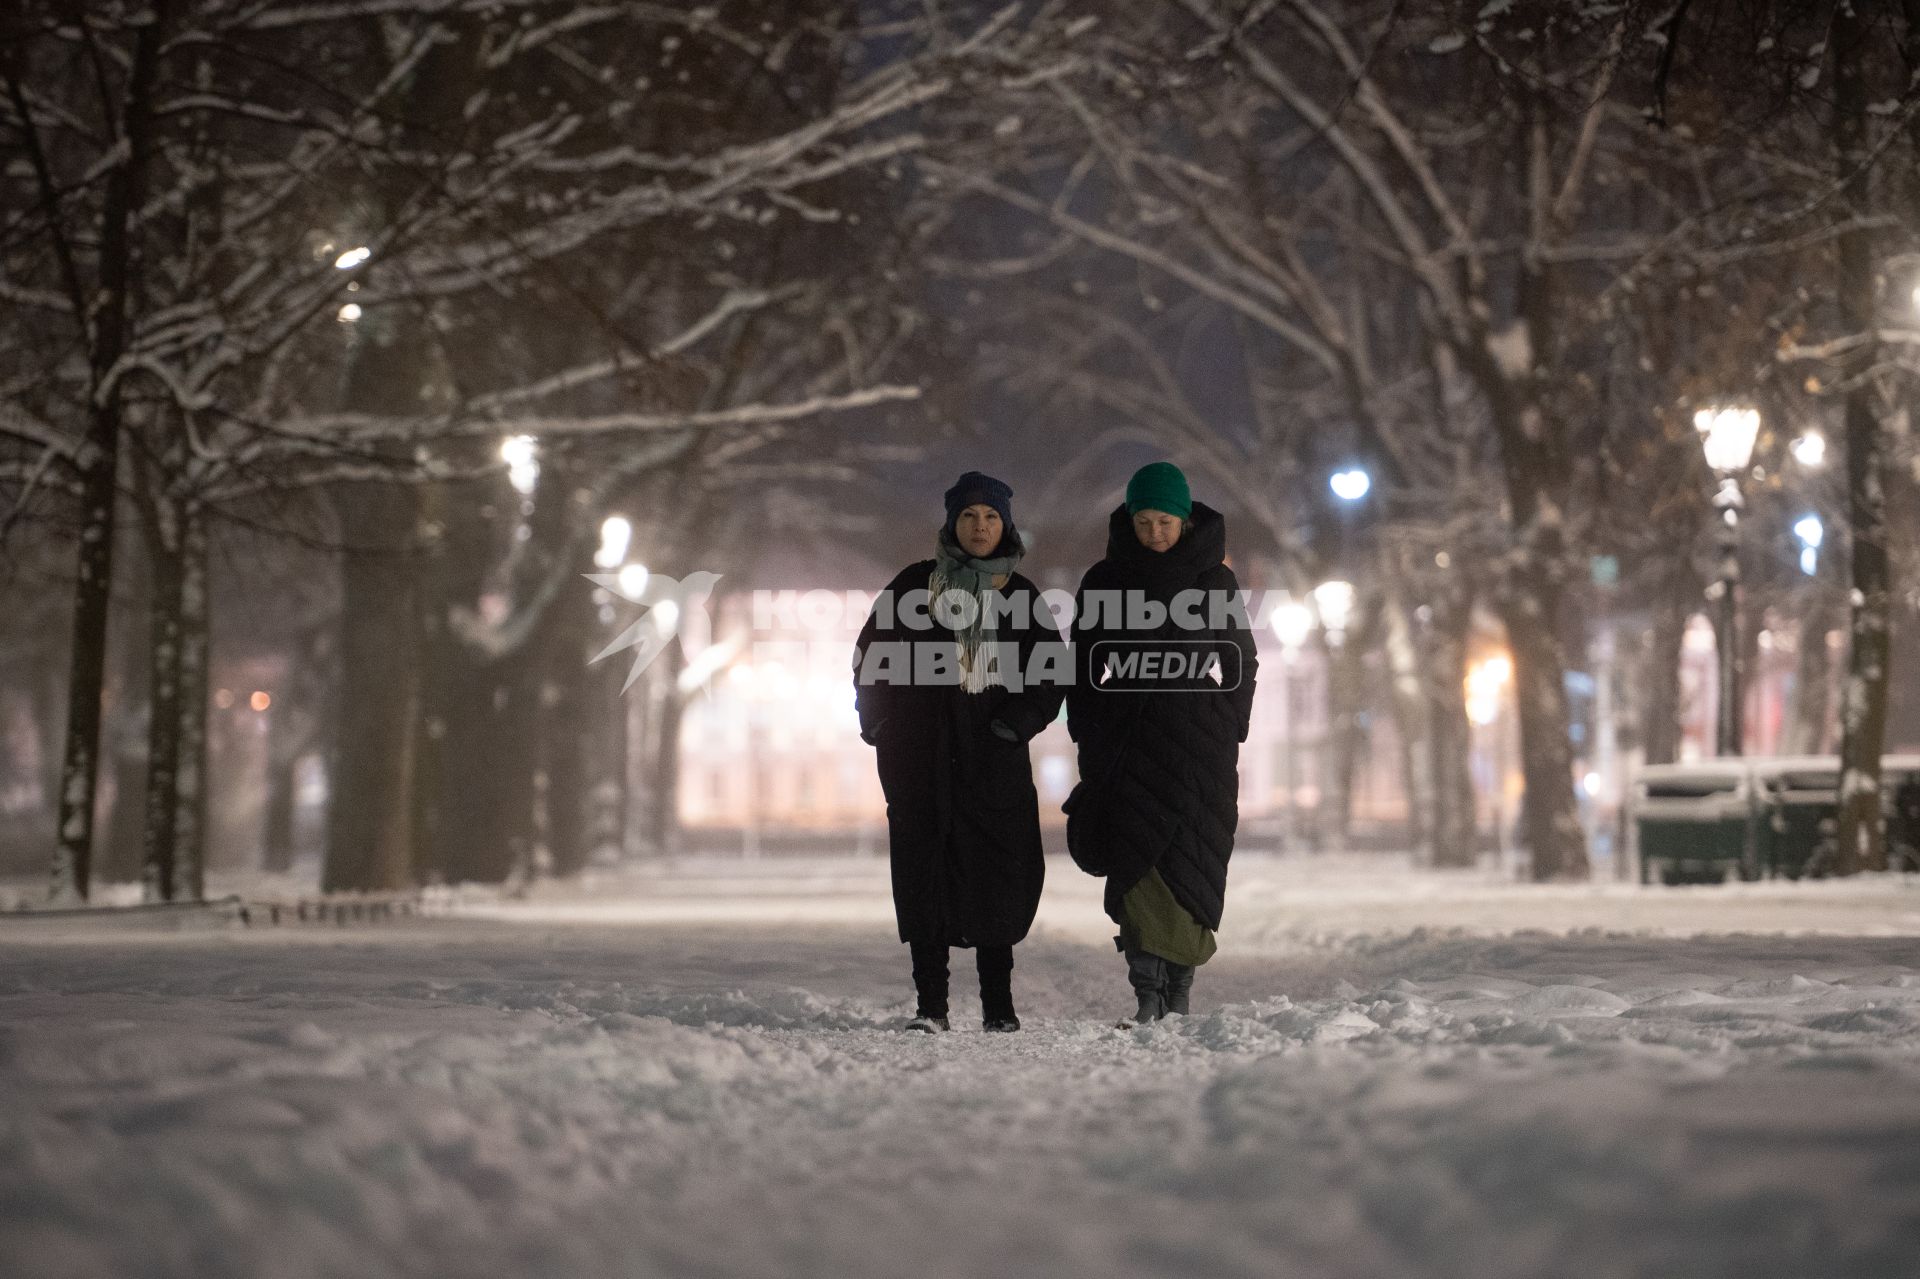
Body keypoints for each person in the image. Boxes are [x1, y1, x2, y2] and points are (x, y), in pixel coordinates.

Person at [854, 472, 1068, 1032]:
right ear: (952, 523)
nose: (980, 526)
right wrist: (879, 724)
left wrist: (1012, 726)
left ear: (1006, 525)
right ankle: (932, 1006)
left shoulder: (1020, 596)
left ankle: (999, 1005)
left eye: (991, 517)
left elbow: (1050, 675)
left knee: (997, 876)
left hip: (992, 765)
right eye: (970, 516)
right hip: (919, 762)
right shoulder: (911, 588)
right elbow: (869, 660)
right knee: (925, 878)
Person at [1064, 461, 1257, 1024]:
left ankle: (1181, 992)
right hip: (1127, 751)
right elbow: (1082, 667)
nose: (1155, 533)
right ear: (1129, 518)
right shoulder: (1103, 581)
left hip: (1201, 753)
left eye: (1165, 521)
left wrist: (1229, 725)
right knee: (1139, 871)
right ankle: (1148, 995)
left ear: (1185, 520)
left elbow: (1240, 660)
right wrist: (1090, 733)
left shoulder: (1215, 582)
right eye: (1144, 521)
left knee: (1193, 865)